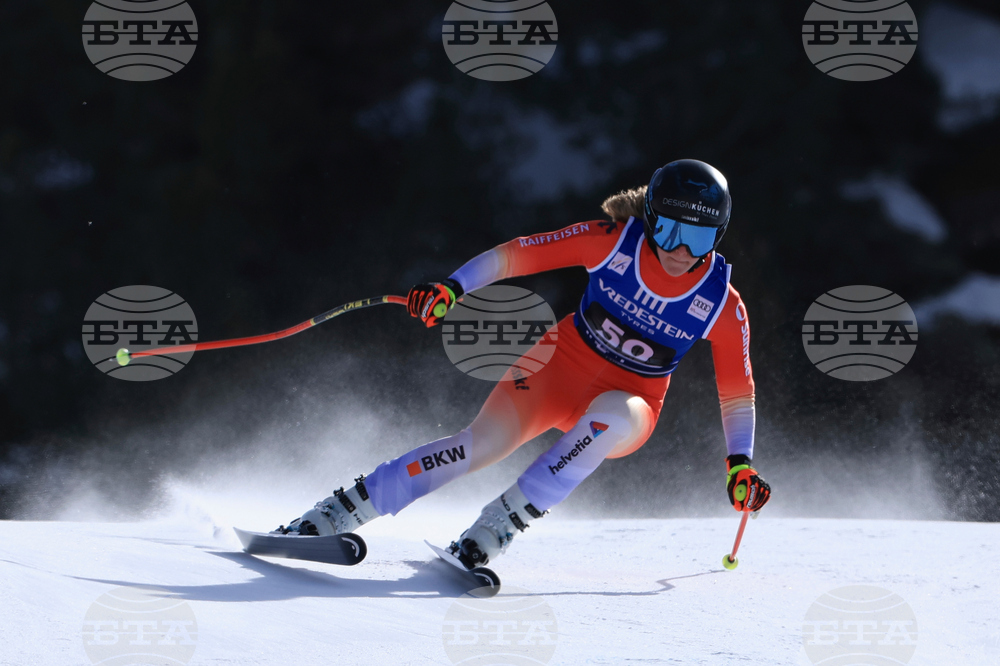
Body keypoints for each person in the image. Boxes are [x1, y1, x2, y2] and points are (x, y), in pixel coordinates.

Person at [278, 159, 771, 568]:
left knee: (611, 418)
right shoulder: (611, 242)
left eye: (701, 239)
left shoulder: (722, 305)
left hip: (633, 401)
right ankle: (336, 513)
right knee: (478, 445)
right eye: (668, 231)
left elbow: (737, 390)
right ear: (649, 220)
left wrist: (739, 466)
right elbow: (520, 255)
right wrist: (452, 287)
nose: (681, 252)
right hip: (555, 369)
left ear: (719, 238)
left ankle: (495, 529)